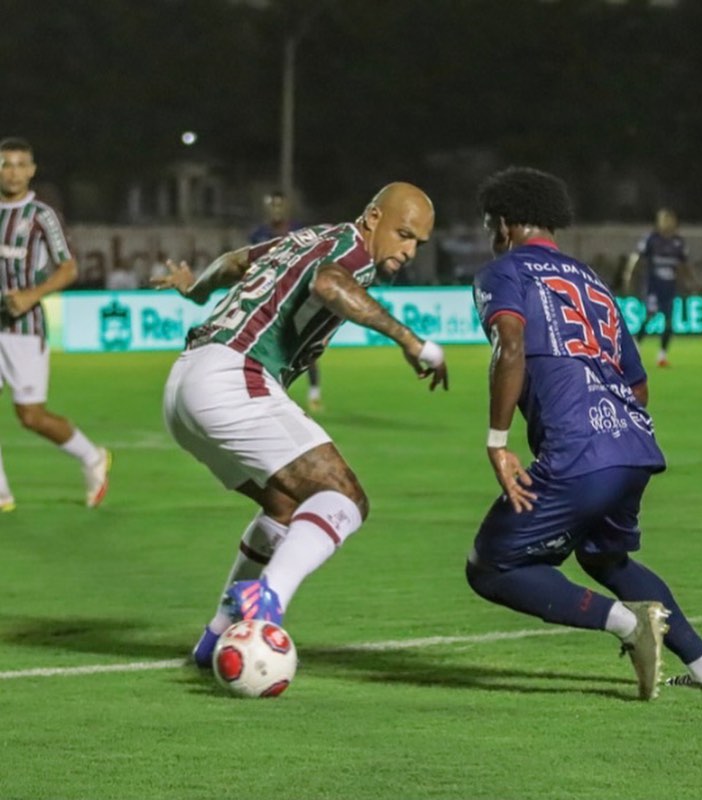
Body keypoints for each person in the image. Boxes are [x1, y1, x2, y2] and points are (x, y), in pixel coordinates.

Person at [466, 167, 702, 699]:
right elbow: (638, 384)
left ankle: (628, 624)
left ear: (504, 224)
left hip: (580, 450)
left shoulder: (504, 272)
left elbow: (510, 345)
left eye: (489, 226)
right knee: (604, 558)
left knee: (493, 566)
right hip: (633, 445)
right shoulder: (591, 281)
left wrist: (498, 442)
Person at [153, 181, 448, 667]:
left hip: (184, 386)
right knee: (344, 498)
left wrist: (196, 289)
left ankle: (214, 641)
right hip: (233, 376)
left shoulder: (307, 238)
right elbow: (329, 285)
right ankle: (267, 600)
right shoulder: (352, 252)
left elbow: (234, 262)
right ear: (373, 218)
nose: (409, 251)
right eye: (403, 235)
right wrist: (409, 340)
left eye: (418, 242)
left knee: (284, 506)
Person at [0, 137, 111, 511]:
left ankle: (92, 456)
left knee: (31, 416)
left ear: (31, 171)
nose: (13, 172)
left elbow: (68, 269)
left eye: (20, 165)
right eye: (6, 164)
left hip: (23, 329)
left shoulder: (41, 216)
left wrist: (31, 295)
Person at [249, 191, 323, 411]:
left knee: (305, 347)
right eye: (272, 205)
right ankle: (267, 393)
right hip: (267, 300)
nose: (276, 210)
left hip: (296, 298)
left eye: (279, 205)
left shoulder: (300, 232)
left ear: (286, 207)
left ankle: (314, 393)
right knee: (262, 349)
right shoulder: (258, 235)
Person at [625, 208, 695, 367]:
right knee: (650, 315)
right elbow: (637, 258)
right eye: (664, 220)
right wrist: (629, 276)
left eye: (670, 220)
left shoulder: (678, 242)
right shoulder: (651, 239)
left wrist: (690, 282)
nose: (667, 223)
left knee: (668, 320)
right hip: (653, 286)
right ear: (659, 222)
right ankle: (635, 347)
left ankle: (662, 355)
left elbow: (684, 264)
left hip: (669, 288)